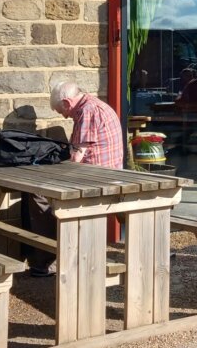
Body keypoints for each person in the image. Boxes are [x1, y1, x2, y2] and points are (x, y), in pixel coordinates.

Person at [26, 81, 124, 277]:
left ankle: (48, 261)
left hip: (95, 178)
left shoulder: (86, 111)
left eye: (61, 111)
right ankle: (52, 256)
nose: (63, 115)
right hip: (110, 174)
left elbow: (77, 157)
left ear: (67, 102)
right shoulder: (94, 104)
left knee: (39, 193)